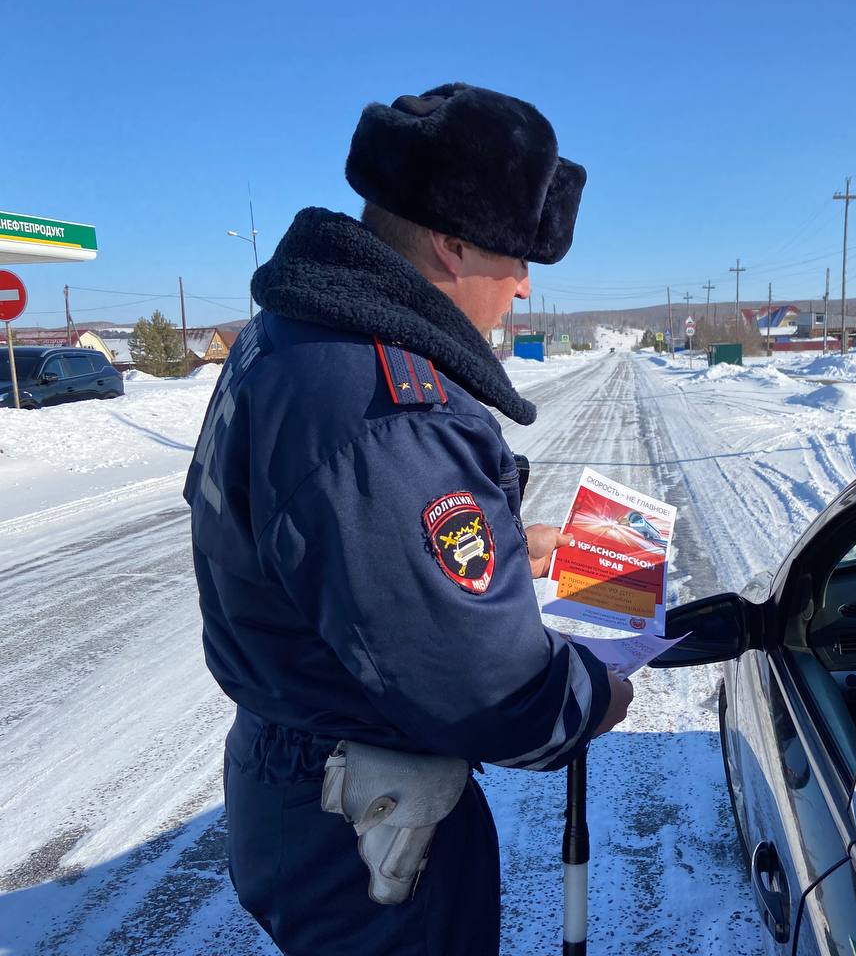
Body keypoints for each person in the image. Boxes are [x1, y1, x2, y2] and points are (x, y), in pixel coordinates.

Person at [185, 83, 633, 955]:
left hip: (300, 779)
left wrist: (512, 546)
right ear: (451, 243)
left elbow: (338, 548)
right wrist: (593, 698)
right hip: (363, 824)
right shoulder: (395, 409)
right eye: (514, 261)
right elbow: (486, 688)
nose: (525, 289)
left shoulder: (286, 336)